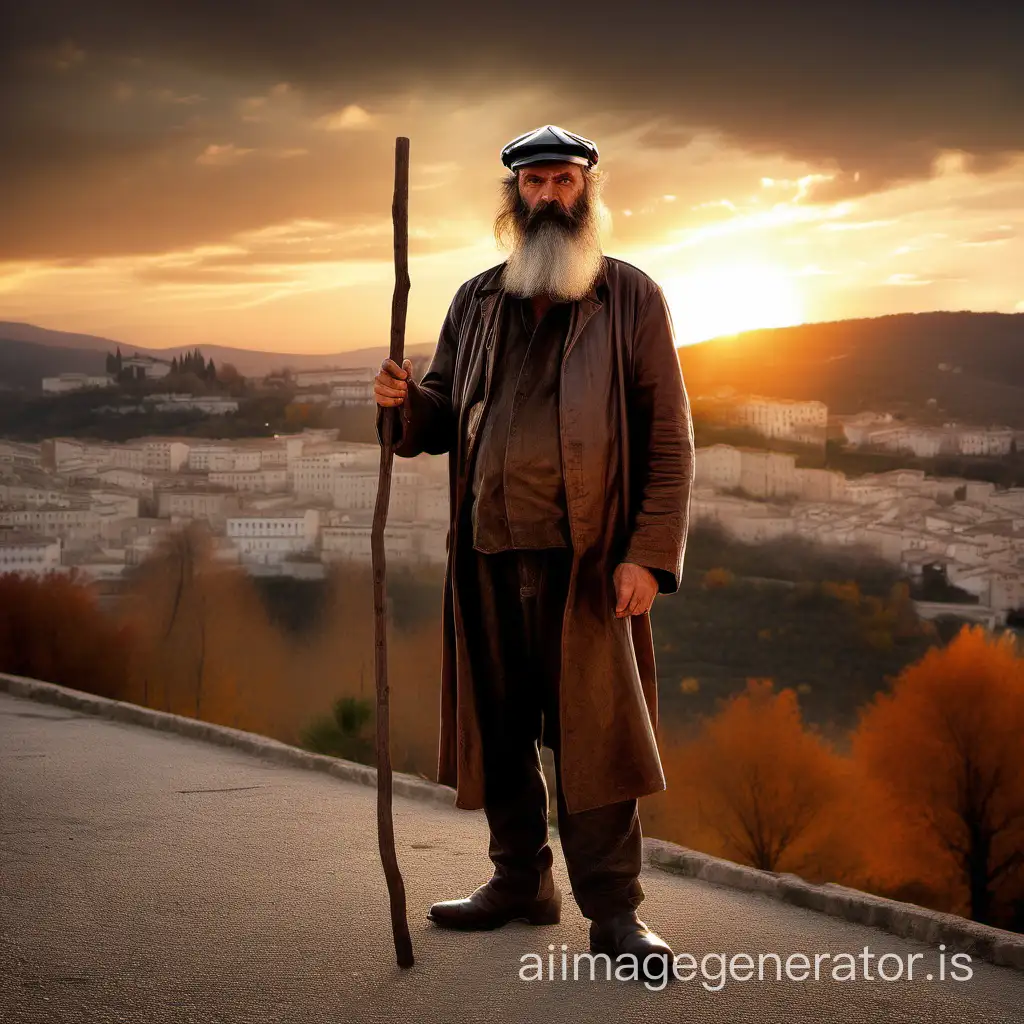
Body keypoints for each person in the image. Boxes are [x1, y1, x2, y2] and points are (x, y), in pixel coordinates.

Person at [374, 124, 695, 980]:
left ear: (586, 190)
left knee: (592, 736)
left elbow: (669, 443)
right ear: (512, 196)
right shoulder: (478, 301)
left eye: (562, 180)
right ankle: (520, 883)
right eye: (534, 183)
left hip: (587, 564)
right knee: (503, 727)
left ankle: (617, 914)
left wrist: (648, 556)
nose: (549, 196)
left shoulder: (630, 298)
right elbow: (440, 415)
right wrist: (404, 403)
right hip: (487, 553)